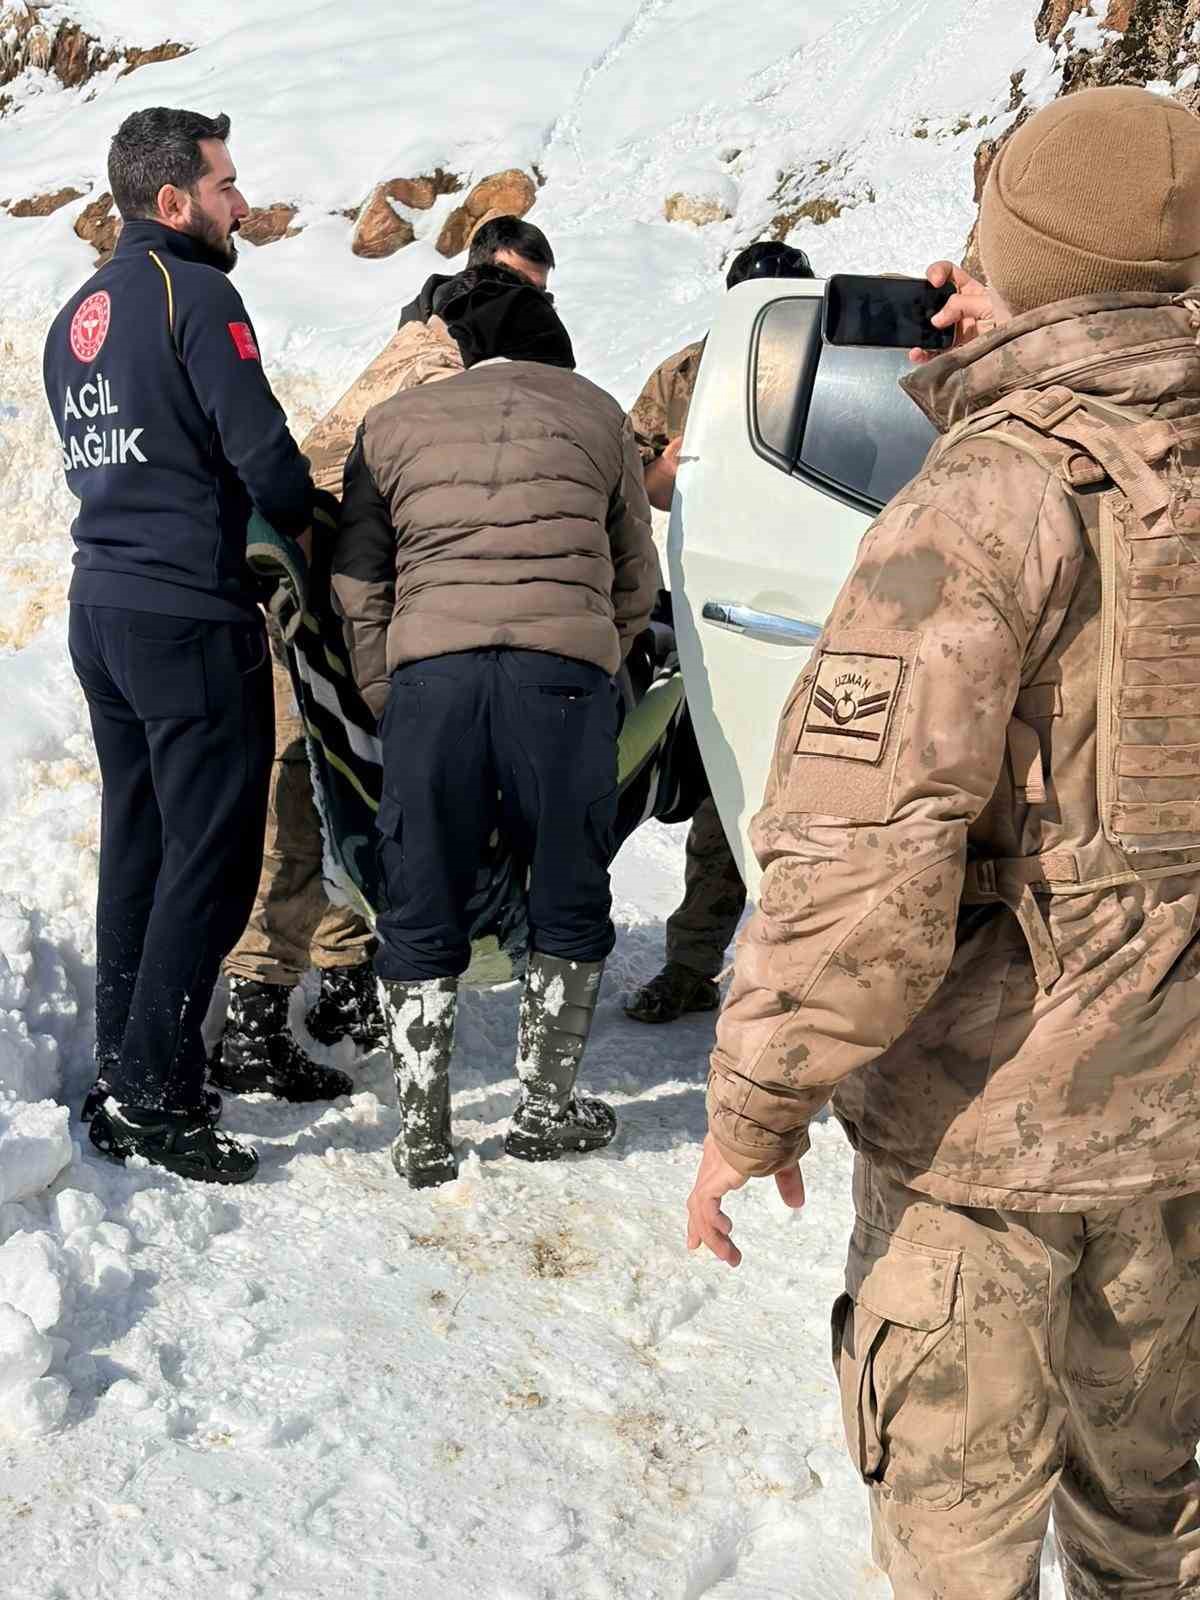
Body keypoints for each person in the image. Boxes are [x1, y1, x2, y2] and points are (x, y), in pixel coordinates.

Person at [687, 85, 1200, 1598]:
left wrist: (754, 1107)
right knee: (1157, 1524)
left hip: (989, 1149)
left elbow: (866, 858)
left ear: (1022, 257)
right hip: (1180, 1139)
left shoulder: (988, 496)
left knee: (959, 1542)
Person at [43, 106, 331, 1183]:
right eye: (224, 185)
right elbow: (264, 454)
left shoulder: (75, 312)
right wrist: (307, 515)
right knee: (211, 860)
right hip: (187, 615)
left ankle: (126, 1066)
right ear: (173, 202)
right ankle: (156, 1099)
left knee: (141, 847)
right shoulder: (196, 294)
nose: (240, 205)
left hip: (102, 608)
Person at [217, 219, 559, 1093]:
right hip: (314, 603)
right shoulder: (441, 366)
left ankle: (343, 979)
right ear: (483, 282)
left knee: (355, 791)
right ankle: (254, 1012)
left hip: (346, 594)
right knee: (301, 796)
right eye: (518, 290)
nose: (531, 309)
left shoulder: (431, 340)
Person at [333, 271, 658, 1188]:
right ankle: (545, 1111)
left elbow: (358, 579)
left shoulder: (392, 423)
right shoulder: (599, 416)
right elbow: (635, 572)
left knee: (421, 890)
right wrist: (594, 653)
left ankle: (424, 1135)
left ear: (465, 348)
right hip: (562, 684)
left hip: (432, 683)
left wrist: (388, 687)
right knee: (566, 885)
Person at [625, 240, 814, 1025]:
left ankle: (811, 975)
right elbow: (633, 482)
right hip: (723, 600)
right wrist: (667, 472)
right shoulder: (687, 376)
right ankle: (692, 964)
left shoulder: (839, 365)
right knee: (722, 787)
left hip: (827, 591)